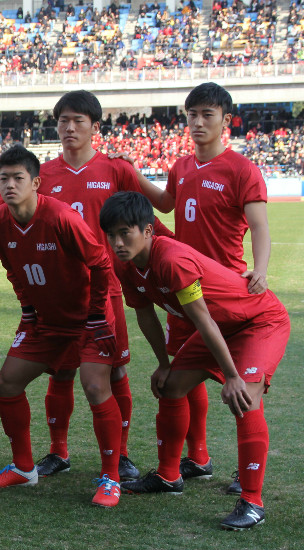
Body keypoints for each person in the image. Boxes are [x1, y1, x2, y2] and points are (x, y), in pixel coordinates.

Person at [100, 191, 289, 530]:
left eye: (124, 233)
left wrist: (232, 375)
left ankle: (252, 501)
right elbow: (145, 316)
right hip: (220, 327)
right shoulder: (125, 265)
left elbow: (203, 321)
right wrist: (163, 363)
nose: (117, 242)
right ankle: (169, 476)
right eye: (111, 235)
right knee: (171, 387)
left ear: (147, 231)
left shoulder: (171, 260)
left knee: (244, 399)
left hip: (257, 322)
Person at [24, 90, 172, 481]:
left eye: (78, 121)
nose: (69, 128)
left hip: (105, 289)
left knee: (116, 372)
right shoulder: (45, 175)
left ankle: (120, 455)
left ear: (94, 126)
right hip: (58, 293)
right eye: (63, 121)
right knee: (60, 372)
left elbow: (148, 223)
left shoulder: (116, 170)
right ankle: (58, 452)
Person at [135, 83, 270, 495]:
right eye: (191, 114)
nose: (197, 122)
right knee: (183, 376)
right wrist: (133, 175)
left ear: (225, 120)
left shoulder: (241, 169)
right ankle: (198, 458)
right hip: (183, 289)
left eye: (207, 114)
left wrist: (259, 270)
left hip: (226, 290)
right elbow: (166, 204)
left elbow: (261, 224)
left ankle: (246, 472)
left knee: (244, 385)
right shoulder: (181, 166)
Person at [0, 146, 122, 508]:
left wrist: (95, 316)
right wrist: (27, 308)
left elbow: (101, 264)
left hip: (88, 319)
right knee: (7, 382)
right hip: (44, 321)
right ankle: (24, 468)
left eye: (18, 178)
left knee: (94, 386)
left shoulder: (61, 217)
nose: (10, 185)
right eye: (3, 178)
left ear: (36, 183)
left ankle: (112, 477)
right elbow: (13, 268)